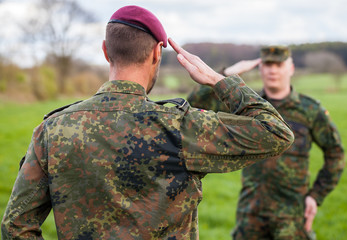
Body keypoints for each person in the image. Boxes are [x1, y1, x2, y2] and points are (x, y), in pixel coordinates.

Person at [1, 6, 294, 240]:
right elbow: (276, 132)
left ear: (105, 51)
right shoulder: (179, 126)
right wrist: (218, 80)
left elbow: (16, 225)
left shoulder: (52, 129)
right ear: (157, 53)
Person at [187, 45, 345, 239]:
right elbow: (196, 103)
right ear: (260, 69)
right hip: (250, 213)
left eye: (279, 64)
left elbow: (335, 153)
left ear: (291, 68)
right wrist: (225, 75)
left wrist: (315, 196)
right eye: (268, 64)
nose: (273, 70)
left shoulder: (309, 110)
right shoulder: (246, 107)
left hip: (292, 216)